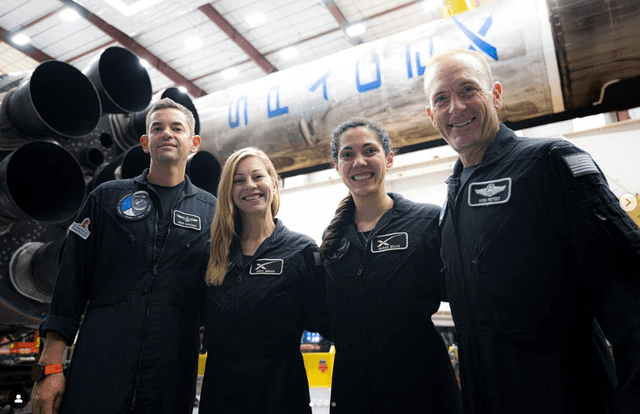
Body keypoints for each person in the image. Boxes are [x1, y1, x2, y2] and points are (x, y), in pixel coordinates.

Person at [423, 49, 640, 413]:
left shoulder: (549, 162)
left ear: (495, 94)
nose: (455, 108)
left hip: (567, 396)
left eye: (468, 90)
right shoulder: (452, 196)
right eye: (441, 99)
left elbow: (626, 289)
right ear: (431, 116)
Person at [32, 98, 217, 414]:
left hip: (170, 372)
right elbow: (70, 282)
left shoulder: (212, 213)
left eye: (177, 128)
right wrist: (50, 367)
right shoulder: (106, 199)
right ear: (145, 143)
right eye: (157, 128)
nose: (167, 134)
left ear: (194, 143)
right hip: (99, 364)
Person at [320, 118, 463, 414]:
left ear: (389, 158)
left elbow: (461, 294)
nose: (359, 161)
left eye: (369, 151)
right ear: (336, 165)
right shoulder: (333, 238)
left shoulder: (426, 222)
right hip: (354, 391)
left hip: (422, 388)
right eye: (347, 154)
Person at [199, 147, 329, 414]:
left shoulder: (301, 251)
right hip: (220, 396)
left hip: (280, 395)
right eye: (239, 180)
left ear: (273, 182)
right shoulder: (213, 253)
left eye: (258, 176)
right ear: (229, 191)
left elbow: (328, 320)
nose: (250, 186)